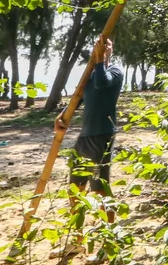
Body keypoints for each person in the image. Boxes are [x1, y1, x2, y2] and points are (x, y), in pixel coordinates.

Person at [55, 36, 123, 255]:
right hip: (84, 138)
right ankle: (76, 240)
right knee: (75, 189)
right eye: (99, 45)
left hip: (102, 137)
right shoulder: (90, 74)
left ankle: (108, 243)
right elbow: (78, 98)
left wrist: (102, 58)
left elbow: (103, 83)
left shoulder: (114, 72)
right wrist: (62, 115)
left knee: (101, 190)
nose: (102, 48)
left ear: (111, 49)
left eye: (107, 45)